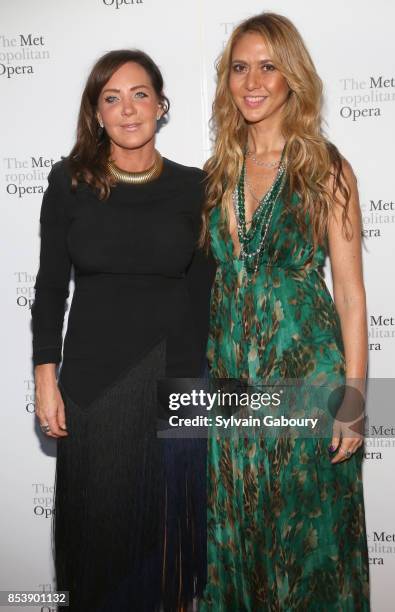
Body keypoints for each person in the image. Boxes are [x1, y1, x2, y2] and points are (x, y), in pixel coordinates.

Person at [198, 13, 370, 611]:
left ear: (291, 76)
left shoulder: (326, 168)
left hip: (308, 385)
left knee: (307, 548)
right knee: (239, 539)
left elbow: (349, 295)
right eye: (239, 67)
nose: (252, 80)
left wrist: (354, 399)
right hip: (232, 392)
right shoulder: (216, 175)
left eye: (268, 65)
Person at [32, 49, 214, 612]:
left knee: (171, 551)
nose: (128, 109)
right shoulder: (68, 183)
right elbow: (48, 290)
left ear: (161, 106)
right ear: (97, 114)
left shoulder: (195, 186)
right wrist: (45, 378)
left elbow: (207, 293)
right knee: (100, 550)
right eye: (112, 98)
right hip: (93, 390)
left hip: (177, 384)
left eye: (140, 95)